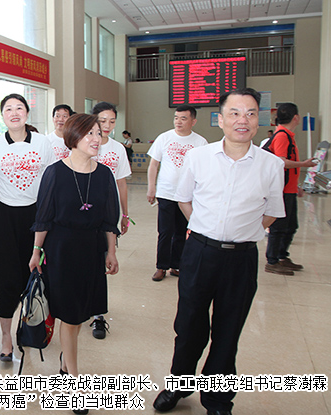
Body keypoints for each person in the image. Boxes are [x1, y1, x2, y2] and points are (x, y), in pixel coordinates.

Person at [153, 88, 285, 415]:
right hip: (200, 253)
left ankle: (218, 399)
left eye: (250, 113)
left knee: (228, 332)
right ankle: (179, 384)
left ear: (258, 120)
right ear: (221, 119)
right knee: (189, 326)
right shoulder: (199, 157)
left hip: (241, 259)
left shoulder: (271, 165)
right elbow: (184, 200)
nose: (243, 120)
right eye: (235, 113)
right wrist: (206, 228)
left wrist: (241, 232)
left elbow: (271, 212)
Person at [29, 114, 120, 414]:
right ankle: (74, 382)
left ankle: (66, 363)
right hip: (62, 250)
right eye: (89, 133)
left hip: (92, 249)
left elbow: (109, 219)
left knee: (79, 313)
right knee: (69, 316)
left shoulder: (104, 174)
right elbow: (44, 217)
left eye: (98, 133)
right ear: (73, 138)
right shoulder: (55, 172)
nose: (96, 138)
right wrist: (36, 251)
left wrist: (111, 251)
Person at [0, 93, 54, 362]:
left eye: (19, 108)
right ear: (3, 116)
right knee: (6, 275)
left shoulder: (43, 143)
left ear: (27, 113)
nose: (14, 113)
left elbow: (50, 178)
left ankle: (31, 326)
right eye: (8, 109)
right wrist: (11, 191)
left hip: (37, 215)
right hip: (5, 216)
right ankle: (5, 336)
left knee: (36, 272)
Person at [146, 105, 207, 282]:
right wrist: (152, 187)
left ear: (193, 121)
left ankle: (176, 265)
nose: (178, 122)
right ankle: (161, 266)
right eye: (176, 118)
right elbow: (153, 165)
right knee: (165, 232)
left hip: (187, 196)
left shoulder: (200, 142)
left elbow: (204, 170)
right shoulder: (164, 138)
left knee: (182, 231)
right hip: (166, 193)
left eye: (183, 118)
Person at [88, 101, 131, 339]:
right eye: (102, 120)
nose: (107, 125)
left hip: (108, 211)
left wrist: (124, 214)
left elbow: (121, 183)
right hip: (83, 209)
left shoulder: (118, 149)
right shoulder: (83, 142)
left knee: (102, 260)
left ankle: (98, 315)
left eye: (112, 121)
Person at [264, 103, 317, 275]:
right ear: (296, 117)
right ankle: (272, 261)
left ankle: (282, 256)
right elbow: (281, 162)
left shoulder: (287, 135)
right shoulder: (282, 136)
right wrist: (304, 164)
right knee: (279, 227)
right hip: (282, 191)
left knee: (291, 226)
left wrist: (297, 186)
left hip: (289, 189)